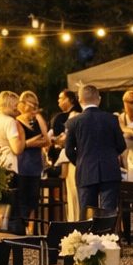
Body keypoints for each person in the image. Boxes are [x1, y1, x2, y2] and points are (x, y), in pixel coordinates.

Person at [64, 84, 125, 216]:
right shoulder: (112, 119)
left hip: (85, 171)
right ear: (99, 99)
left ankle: (88, 230)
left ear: (79, 100)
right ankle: (107, 230)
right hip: (110, 170)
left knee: (87, 215)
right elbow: (121, 145)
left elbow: (68, 150)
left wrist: (80, 161)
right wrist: (110, 156)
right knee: (108, 214)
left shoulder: (73, 122)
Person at [0, 91, 26, 233]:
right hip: (8, 167)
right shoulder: (10, 122)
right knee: (11, 210)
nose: (18, 108)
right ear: (9, 104)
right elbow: (17, 149)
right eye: (16, 105)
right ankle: (13, 239)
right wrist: (22, 135)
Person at [15, 91, 51, 233]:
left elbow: (46, 140)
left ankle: (32, 229)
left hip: (35, 163)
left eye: (35, 104)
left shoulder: (37, 119)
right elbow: (20, 144)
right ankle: (22, 228)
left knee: (33, 199)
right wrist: (32, 142)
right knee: (22, 197)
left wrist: (30, 143)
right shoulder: (17, 121)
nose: (33, 107)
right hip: (22, 162)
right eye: (31, 103)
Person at [51, 89, 82, 220]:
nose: (58, 101)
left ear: (71, 100)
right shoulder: (62, 116)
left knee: (73, 192)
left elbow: (68, 138)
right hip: (68, 156)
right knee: (70, 192)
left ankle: (75, 221)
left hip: (72, 158)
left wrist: (57, 140)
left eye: (61, 98)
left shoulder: (75, 115)